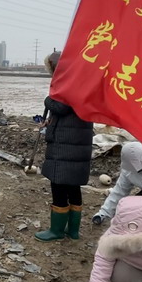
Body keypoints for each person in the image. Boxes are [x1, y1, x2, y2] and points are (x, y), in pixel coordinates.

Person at [35, 51, 94, 242]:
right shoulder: (82, 80)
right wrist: (50, 121)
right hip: (78, 141)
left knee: (59, 184)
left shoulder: (69, 83)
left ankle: (57, 230)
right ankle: (73, 230)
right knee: (73, 186)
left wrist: (48, 99)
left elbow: (60, 107)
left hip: (66, 144)